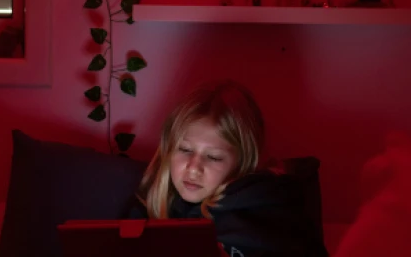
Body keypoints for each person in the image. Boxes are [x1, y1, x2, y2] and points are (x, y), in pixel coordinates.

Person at [126, 80, 328, 257]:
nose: (194, 168)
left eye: (213, 157)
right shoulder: (150, 205)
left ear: (243, 161)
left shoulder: (275, 222)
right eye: (185, 149)